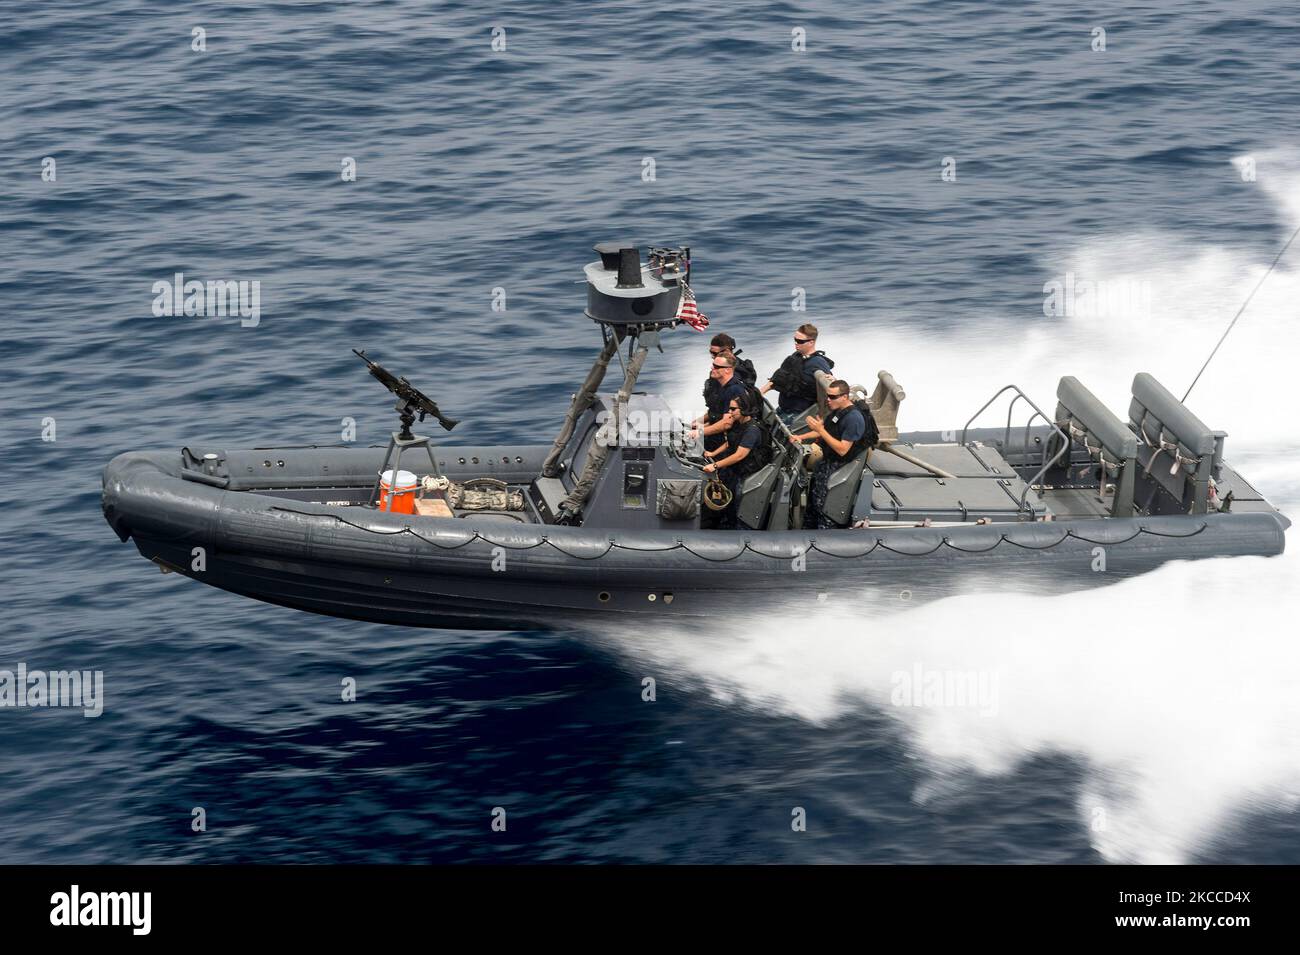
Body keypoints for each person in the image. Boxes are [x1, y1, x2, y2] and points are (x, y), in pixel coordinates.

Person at [790, 379, 870, 529]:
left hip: (838, 468)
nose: (828, 400)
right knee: (813, 505)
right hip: (826, 464)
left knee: (825, 510)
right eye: (828, 396)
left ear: (845, 397)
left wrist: (820, 431)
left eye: (833, 397)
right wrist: (801, 437)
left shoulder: (854, 418)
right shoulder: (838, 412)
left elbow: (842, 449)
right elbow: (825, 430)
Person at [702, 392, 764, 529]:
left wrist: (715, 465)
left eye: (733, 409)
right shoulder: (739, 424)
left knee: (737, 507)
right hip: (734, 470)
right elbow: (730, 442)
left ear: (744, 409)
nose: (729, 412)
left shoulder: (752, 430)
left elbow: (739, 455)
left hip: (746, 475)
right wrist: (713, 453)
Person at [760, 323, 834, 429]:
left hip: (799, 415)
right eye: (795, 339)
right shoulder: (795, 357)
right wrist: (759, 393)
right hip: (783, 409)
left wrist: (833, 379)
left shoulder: (818, 362)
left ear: (811, 342)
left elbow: (831, 385)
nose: (796, 344)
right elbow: (778, 378)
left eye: (800, 341)